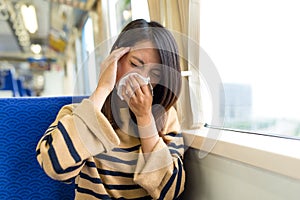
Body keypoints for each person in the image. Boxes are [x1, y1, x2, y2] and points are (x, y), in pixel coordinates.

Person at [36, 19, 185, 199]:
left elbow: (170, 192)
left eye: (154, 74)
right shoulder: (78, 115)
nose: (141, 79)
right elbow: (54, 166)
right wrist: (103, 89)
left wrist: (145, 118)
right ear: (115, 59)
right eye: (136, 64)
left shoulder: (166, 118)